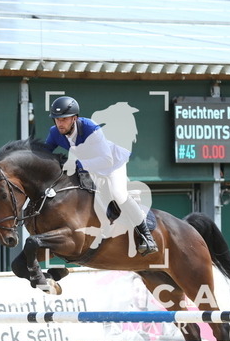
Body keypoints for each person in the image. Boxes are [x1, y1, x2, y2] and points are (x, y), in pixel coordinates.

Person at [44, 95, 158, 255]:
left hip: (112, 163)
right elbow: (44, 152)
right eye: (57, 119)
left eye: (64, 119)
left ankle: (147, 237)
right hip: (90, 165)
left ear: (74, 118)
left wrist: (77, 164)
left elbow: (106, 160)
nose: (60, 123)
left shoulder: (90, 128)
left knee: (118, 193)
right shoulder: (54, 132)